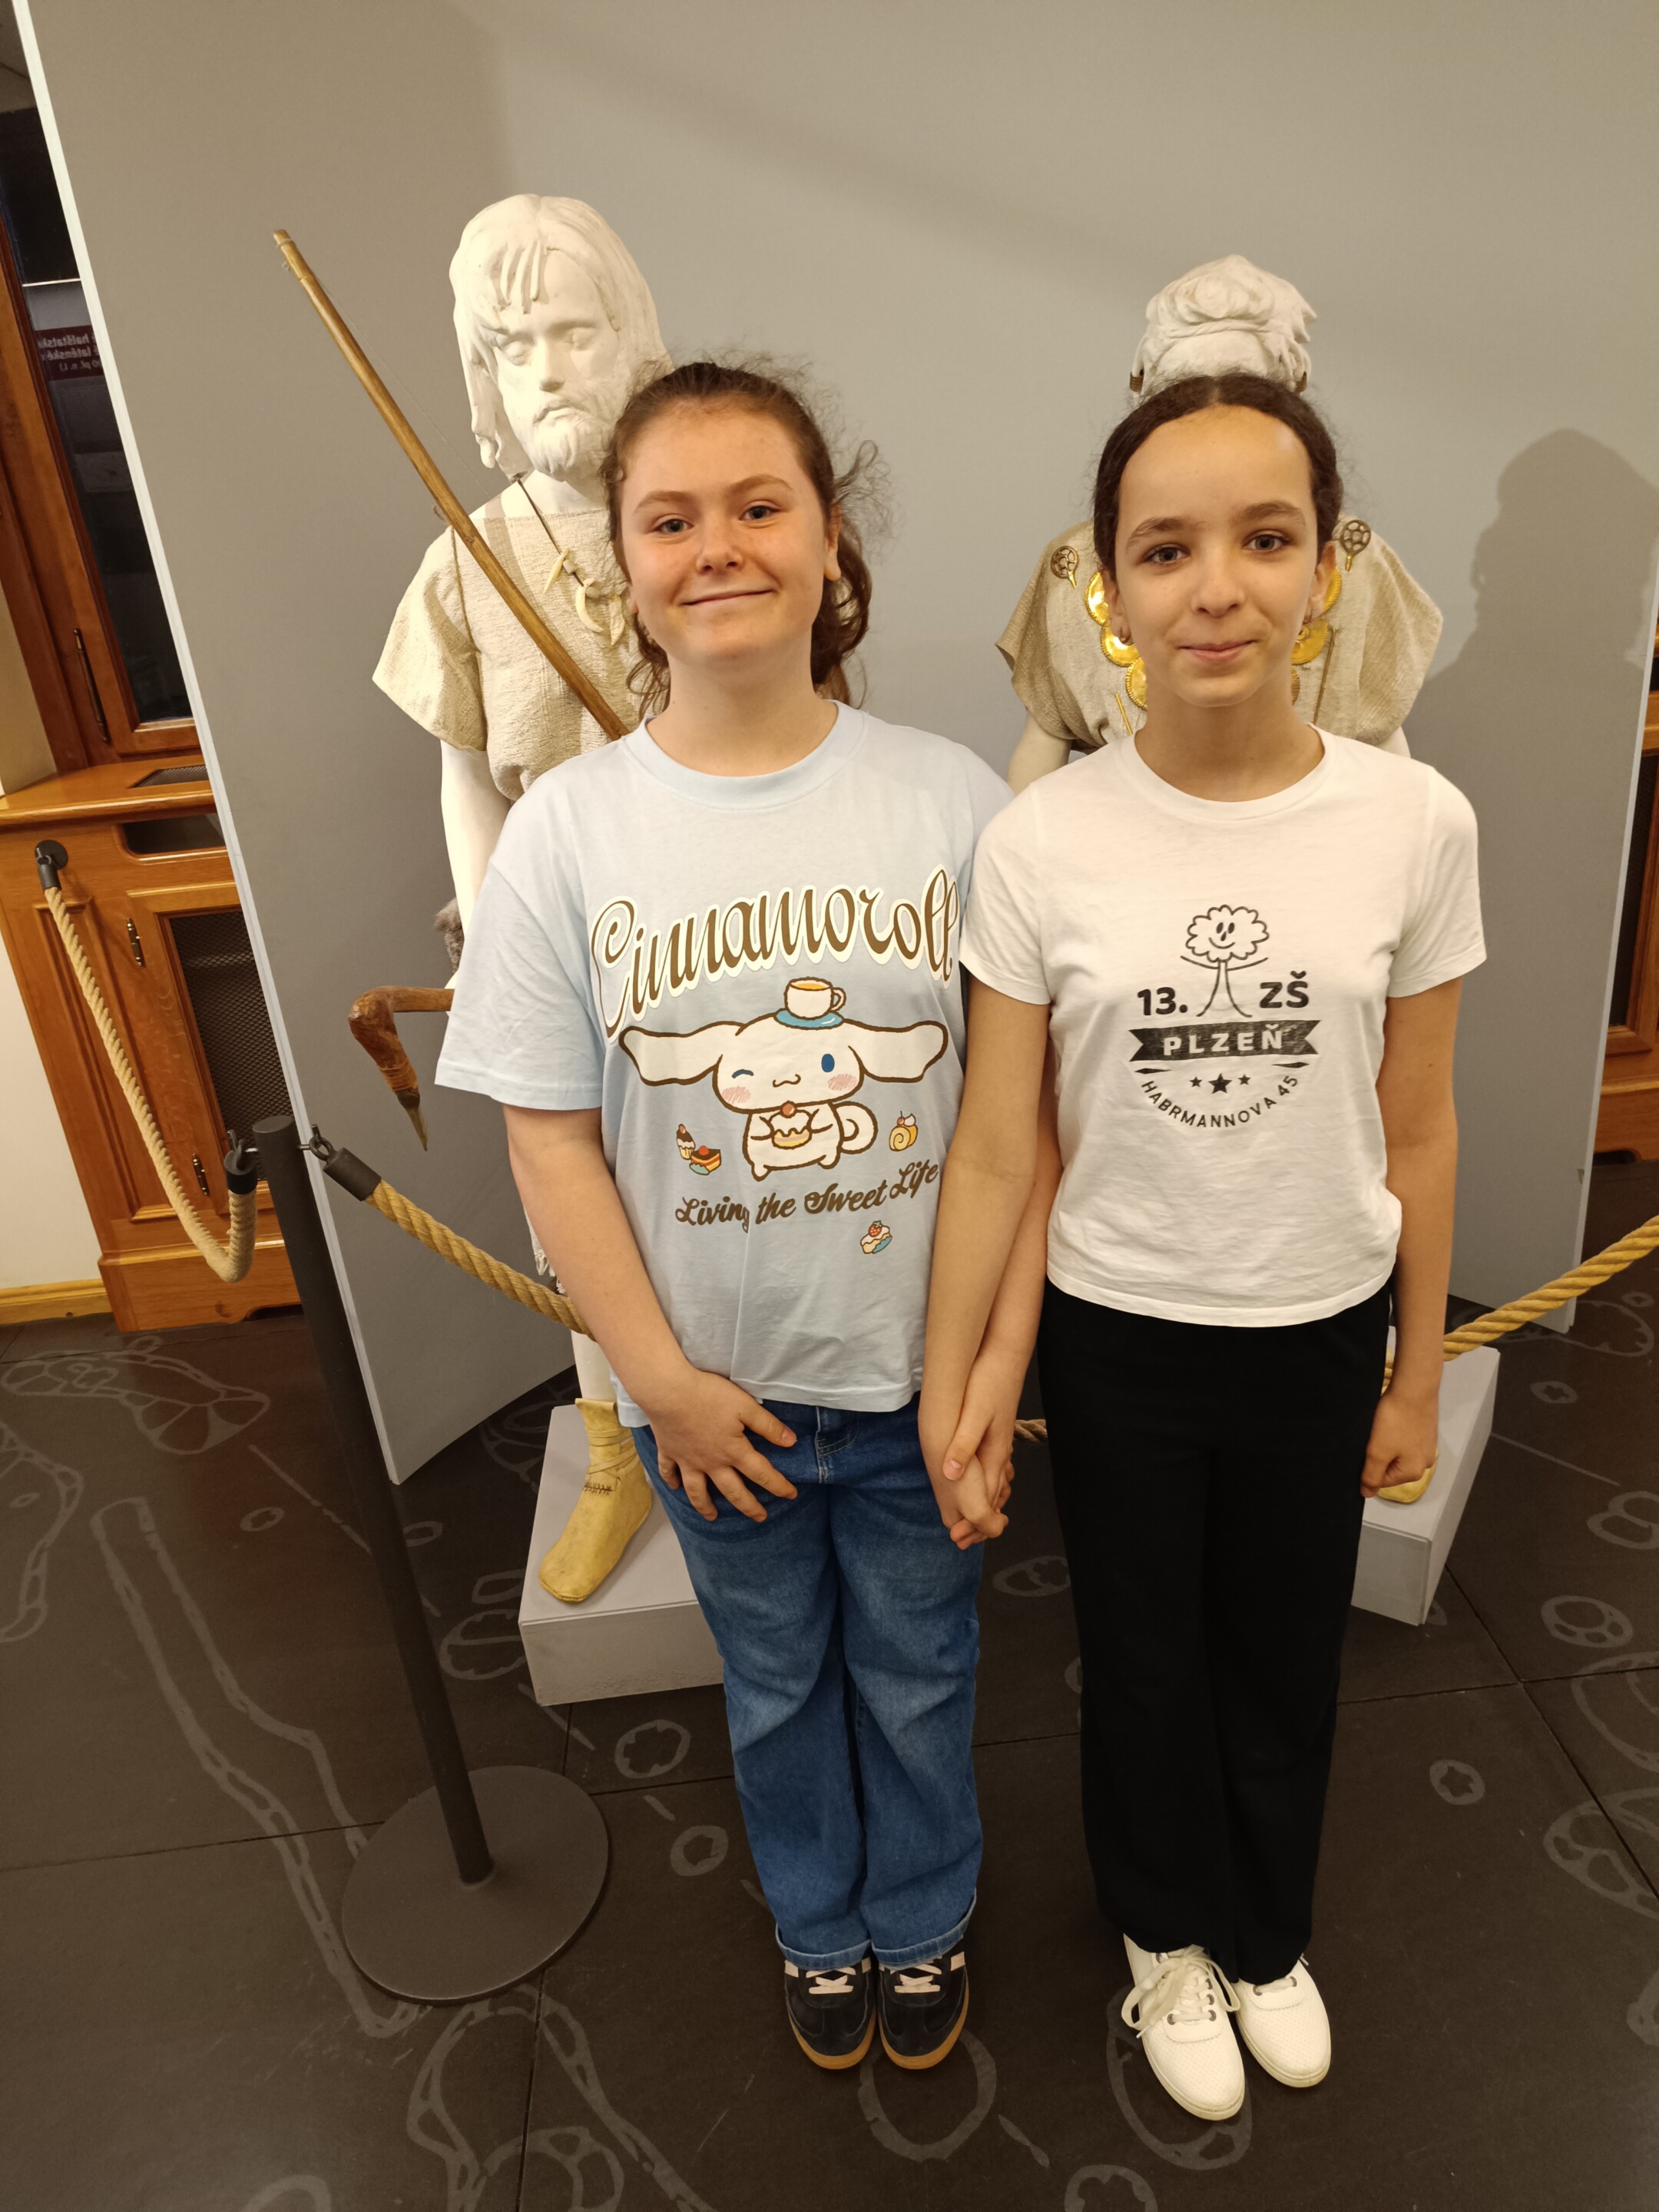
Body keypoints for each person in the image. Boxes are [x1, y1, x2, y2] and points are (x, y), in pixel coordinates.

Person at [437, 360, 1031, 2073]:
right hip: (713, 1397)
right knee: (770, 1683)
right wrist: (660, 1389)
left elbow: (1020, 1124)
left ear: (829, 536)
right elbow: (553, 1146)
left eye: (759, 506)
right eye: (670, 518)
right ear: (622, 565)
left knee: (922, 1674)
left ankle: (922, 1912)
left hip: (915, 1385)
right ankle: (818, 1923)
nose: (719, 547)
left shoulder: (952, 802)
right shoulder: (567, 835)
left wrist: (989, 1368)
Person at [921, 372, 1483, 2122]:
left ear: (1326, 568)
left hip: (1317, 1321)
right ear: (1108, 585)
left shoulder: (1414, 823)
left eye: (1263, 537)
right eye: (1165, 549)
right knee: (1145, 1654)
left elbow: (1416, 1125)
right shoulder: (1041, 842)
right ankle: (1163, 1932)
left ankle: (1263, 1929)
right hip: (1123, 1330)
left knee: (1285, 1649)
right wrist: (958, 1374)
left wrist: (1416, 1367)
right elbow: (1000, 1139)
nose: (1215, 587)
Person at [374, 194, 669, 1606]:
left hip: (715, 931)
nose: (547, 368)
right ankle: (614, 1447)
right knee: (574, 1213)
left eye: (573, 331)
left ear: (631, 335)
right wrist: (491, 939)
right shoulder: (463, 560)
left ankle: (745, 1418)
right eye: (512, 345)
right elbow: (466, 774)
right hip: (560, 941)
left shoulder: (700, 524)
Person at [1000, 256, 1443, 791]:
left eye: (1266, 541)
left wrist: (1404, 822)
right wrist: (1025, 831)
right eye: (1167, 553)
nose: (1216, 408)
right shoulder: (1073, 563)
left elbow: (1382, 729)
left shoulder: (1356, 557)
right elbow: (1043, 739)